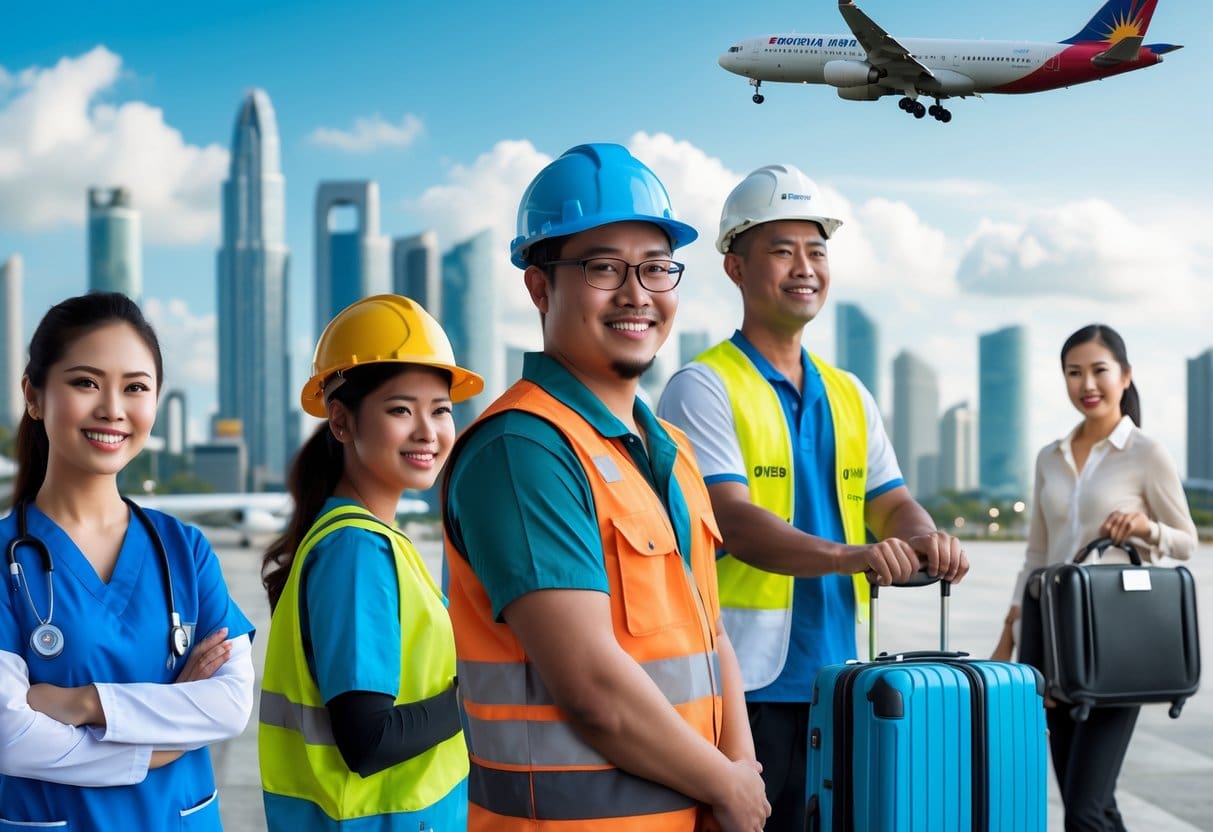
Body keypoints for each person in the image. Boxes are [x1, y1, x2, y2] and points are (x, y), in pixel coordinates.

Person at [443, 143, 769, 832]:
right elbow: (593, 687)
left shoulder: (671, 450)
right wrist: (725, 785)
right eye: (602, 269)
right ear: (539, 287)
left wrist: (737, 777)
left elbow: (712, 640)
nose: (636, 294)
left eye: (656, 269)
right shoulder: (523, 450)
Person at [657, 163, 969, 832]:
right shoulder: (702, 386)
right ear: (735, 268)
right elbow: (733, 521)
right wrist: (852, 555)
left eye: (816, 249)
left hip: (844, 679)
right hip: (746, 688)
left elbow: (891, 501)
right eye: (781, 249)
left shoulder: (849, 392)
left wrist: (924, 539)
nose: (804, 266)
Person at [0, 292, 255, 829]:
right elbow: (11, 736)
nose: (113, 408)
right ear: (34, 395)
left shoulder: (185, 551)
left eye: (135, 387)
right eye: (86, 382)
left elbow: (229, 705)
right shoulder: (5, 562)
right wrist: (159, 746)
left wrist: (85, 705)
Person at [259, 294, 482, 831]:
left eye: (441, 409)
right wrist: (478, 691)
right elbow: (369, 739)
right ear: (341, 422)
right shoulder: (355, 550)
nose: (428, 431)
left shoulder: (375, 539)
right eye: (400, 409)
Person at [991, 323, 1196, 832]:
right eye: (1073, 372)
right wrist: (1008, 636)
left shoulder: (1146, 453)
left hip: (1116, 645)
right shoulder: (1049, 457)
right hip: (1052, 639)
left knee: (1084, 808)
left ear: (1125, 376)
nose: (1087, 384)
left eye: (1099, 371)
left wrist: (1148, 528)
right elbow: (1037, 553)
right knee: (1094, 806)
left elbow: (1186, 540)